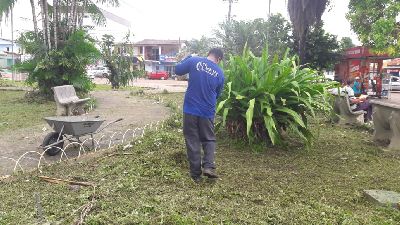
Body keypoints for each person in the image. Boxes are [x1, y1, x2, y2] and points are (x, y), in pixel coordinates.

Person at [175, 48, 225, 183]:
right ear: (219, 59)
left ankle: (196, 175)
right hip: (207, 112)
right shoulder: (220, 73)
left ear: (208, 54)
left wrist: (188, 56)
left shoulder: (194, 60)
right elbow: (218, 93)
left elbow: (177, 70)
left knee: (192, 140)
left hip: (190, 109)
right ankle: (209, 166)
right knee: (209, 139)